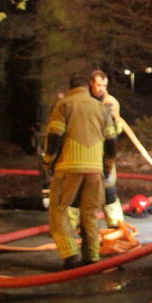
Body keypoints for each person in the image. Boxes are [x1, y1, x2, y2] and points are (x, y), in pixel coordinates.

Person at [44, 75, 117, 269]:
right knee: (90, 213)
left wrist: (48, 161)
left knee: (59, 210)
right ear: (88, 87)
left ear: (71, 88)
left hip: (68, 167)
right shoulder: (102, 108)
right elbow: (112, 141)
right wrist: (107, 166)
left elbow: (55, 136)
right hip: (95, 170)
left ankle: (70, 255)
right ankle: (92, 256)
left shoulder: (64, 105)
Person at [66, 70, 126, 230]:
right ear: (91, 84)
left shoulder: (111, 102)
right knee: (76, 188)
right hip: (84, 151)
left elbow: (116, 131)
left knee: (108, 187)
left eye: (104, 85)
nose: (101, 88)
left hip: (103, 151)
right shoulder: (82, 101)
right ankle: (70, 224)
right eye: (99, 84)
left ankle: (115, 222)